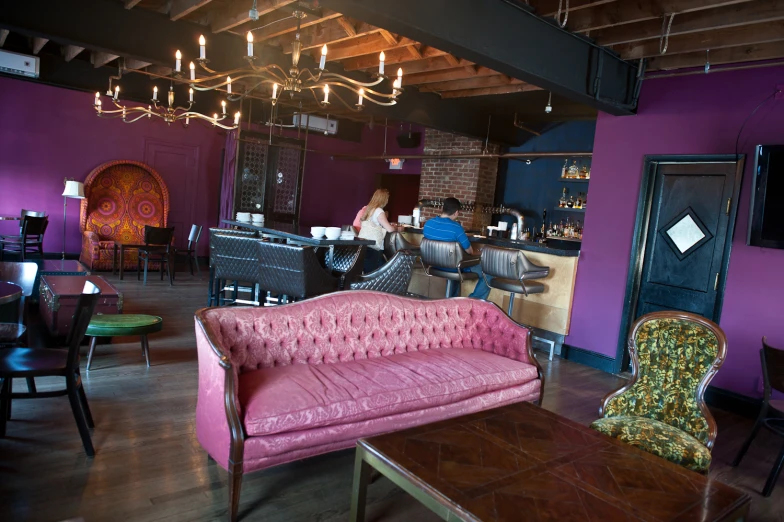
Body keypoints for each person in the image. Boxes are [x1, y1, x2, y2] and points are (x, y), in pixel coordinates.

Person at [422, 197, 491, 300]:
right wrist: (480, 253)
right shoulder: (456, 228)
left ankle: (453, 304)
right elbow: (470, 252)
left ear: (442, 208)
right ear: (456, 212)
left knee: (455, 262)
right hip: (453, 267)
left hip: (434, 265)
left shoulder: (428, 224)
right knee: (489, 270)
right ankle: (473, 301)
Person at [357, 189, 396, 272]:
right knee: (373, 272)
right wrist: (395, 227)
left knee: (367, 270)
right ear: (383, 199)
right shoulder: (379, 211)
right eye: (387, 198)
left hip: (364, 244)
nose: (387, 201)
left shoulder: (368, 209)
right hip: (375, 246)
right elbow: (389, 229)